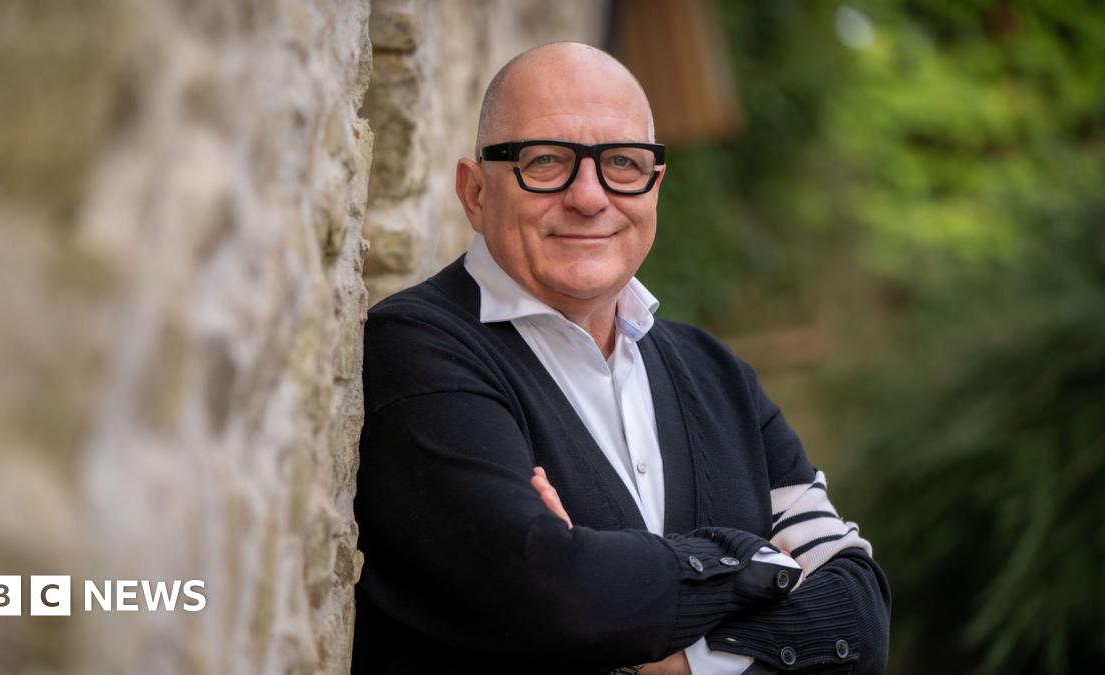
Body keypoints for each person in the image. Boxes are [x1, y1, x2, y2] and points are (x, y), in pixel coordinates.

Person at [352, 42, 890, 674]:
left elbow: (861, 622)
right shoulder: (417, 348)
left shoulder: (719, 378)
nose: (589, 196)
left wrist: (678, 663)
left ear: (654, 187)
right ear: (474, 192)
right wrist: (753, 561)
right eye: (545, 161)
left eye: (623, 164)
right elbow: (555, 595)